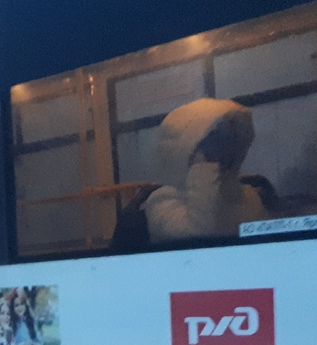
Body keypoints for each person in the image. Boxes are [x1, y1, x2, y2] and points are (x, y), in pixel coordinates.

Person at [111, 97, 278, 251]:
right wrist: (202, 166)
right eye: (213, 140)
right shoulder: (162, 202)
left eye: (228, 140)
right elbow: (200, 234)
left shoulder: (247, 195)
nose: (223, 150)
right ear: (187, 150)